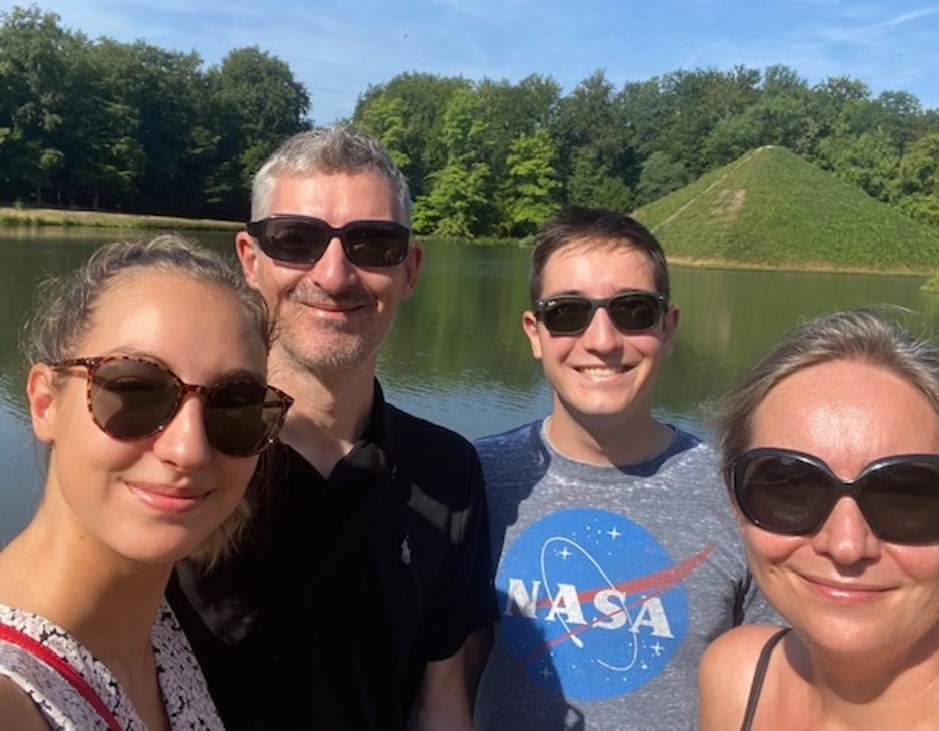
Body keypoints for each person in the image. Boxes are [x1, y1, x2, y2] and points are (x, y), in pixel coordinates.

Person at [168, 124, 497, 730]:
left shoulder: (445, 471)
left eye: (373, 244)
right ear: (250, 259)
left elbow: (440, 696)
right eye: (296, 239)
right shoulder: (182, 447)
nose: (334, 274)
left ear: (410, 269)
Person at [473, 205, 778, 730]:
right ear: (534, 331)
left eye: (633, 311)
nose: (602, 341)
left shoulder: (741, 497)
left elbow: (776, 694)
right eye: (567, 312)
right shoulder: (472, 480)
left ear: (669, 327)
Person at [0, 235, 291, 730]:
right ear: (46, 403)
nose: (189, 448)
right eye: (135, 389)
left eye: (236, 405)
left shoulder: (152, 628)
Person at [699, 307, 939, 730]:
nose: (847, 546)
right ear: (736, 502)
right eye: (791, 488)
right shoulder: (736, 680)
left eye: (905, 495)